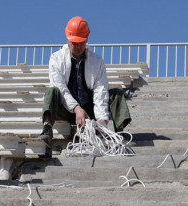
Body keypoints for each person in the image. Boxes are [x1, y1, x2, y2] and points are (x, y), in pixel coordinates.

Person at [40, 16, 131, 147]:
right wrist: (76, 108)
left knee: (116, 93)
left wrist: (102, 122)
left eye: (81, 43)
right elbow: (60, 87)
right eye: (74, 43)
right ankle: (47, 129)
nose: (77, 46)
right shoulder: (56, 58)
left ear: (86, 39)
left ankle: (119, 133)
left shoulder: (97, 61)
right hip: (65, 109)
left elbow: (101, 91)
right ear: (67, 39)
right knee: (51, 91)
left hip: (90, 109)